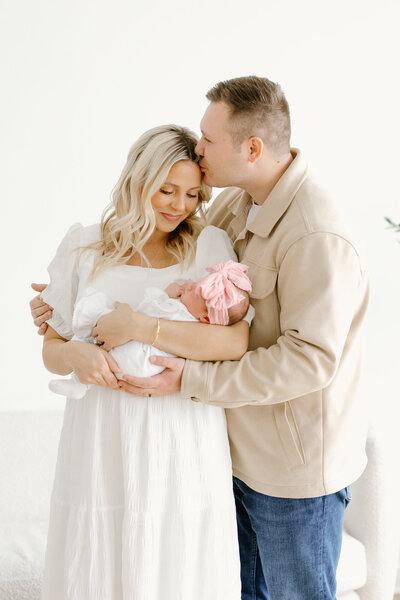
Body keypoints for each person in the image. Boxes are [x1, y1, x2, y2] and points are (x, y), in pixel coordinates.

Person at [31, 76, 369, 600]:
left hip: (291, 469)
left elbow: (305, 359)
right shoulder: (233, 208)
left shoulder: (314, 232)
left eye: (209, 140)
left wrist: (174, 363)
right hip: (231, 450)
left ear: (251, 149)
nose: (200, 150)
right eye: (170, 188)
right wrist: (62, 316)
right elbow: (135, 277)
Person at [33, 124, 253, 600]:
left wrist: (139, 328)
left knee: (179, 562)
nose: (179, 206)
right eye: (166, 190)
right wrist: (73, 353)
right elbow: (51, 350)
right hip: (100, 435)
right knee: (100, 560)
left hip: (183, 434)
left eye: (192, 194)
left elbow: (235, 341)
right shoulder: (84, 245)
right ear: (137, 179)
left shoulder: (210, 246)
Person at [48, 258, 252, 399]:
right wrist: (68, 349)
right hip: (139, 368)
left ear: (206, 317)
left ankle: (79, 382)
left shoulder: (179, 311)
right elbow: (52, 347)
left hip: (142, 361)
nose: (189, 285)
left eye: (195, 292)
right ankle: (80, 381)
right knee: (95, 347)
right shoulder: (83, 244)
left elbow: (147, 310)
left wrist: (165, 295)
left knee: (97, 315)